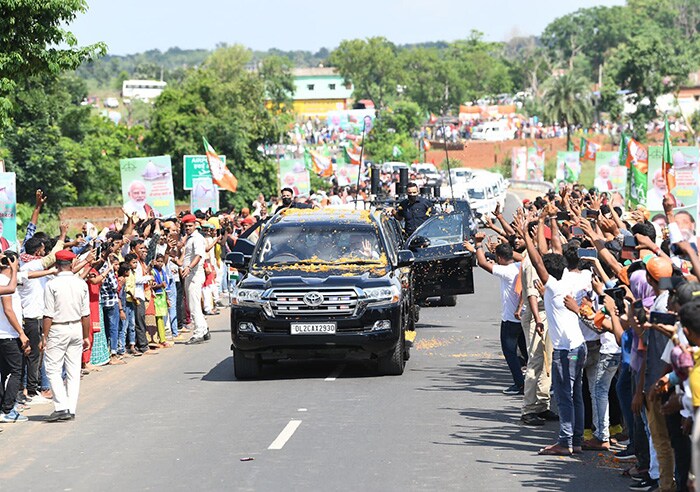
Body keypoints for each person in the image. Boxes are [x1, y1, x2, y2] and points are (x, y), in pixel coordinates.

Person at [517, 215, 587, 456]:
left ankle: (565, 442)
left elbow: (538, 260)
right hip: (579, 348)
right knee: (576, 394)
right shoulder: (568, 277)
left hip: (566, 352)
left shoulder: (554, 286)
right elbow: (554, 249)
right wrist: (548, 222)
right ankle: (576, 440)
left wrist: (526, 232)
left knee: (565, 397)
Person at [463, 233, 526, 395]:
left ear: (499, 258)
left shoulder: (506, 272)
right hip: (523, 318)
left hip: (511, 319)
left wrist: (478, 244)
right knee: (526, 351)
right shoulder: (521, 265)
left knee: (509, 352)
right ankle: (533, 380)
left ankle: (520, 384)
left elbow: (482, 263)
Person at [41, 249, 91, 422]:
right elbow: (86, 314)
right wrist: (86, 336)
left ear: (56, 265)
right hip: (77, 327)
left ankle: (61, 406)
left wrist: (44, 336)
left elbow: (48, 314)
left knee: (53, 369)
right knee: (73, 370)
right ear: (71, 265)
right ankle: (71, 407)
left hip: (57, 328)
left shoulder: (51, 285)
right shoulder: (80, 283)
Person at [0, 252, 30, 423]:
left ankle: (4, 407)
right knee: (15, 371)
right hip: (8, 334)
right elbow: (8, 310)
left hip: (4, 334)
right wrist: (21, 332)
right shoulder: (5, 282)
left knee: (4, 372)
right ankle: (8, 409)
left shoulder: (6, 280)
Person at [181, 214, 209, 344]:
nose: (187, 228)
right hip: (190, 273)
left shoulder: (197, 238)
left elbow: (198, 255)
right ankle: (203, 329)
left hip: (194, 274)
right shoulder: (189, 238)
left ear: (195, 225)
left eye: (190, 226)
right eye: (186, 226)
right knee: (194, 303)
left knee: (193, 304)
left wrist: (189, 268)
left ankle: (198, 332)